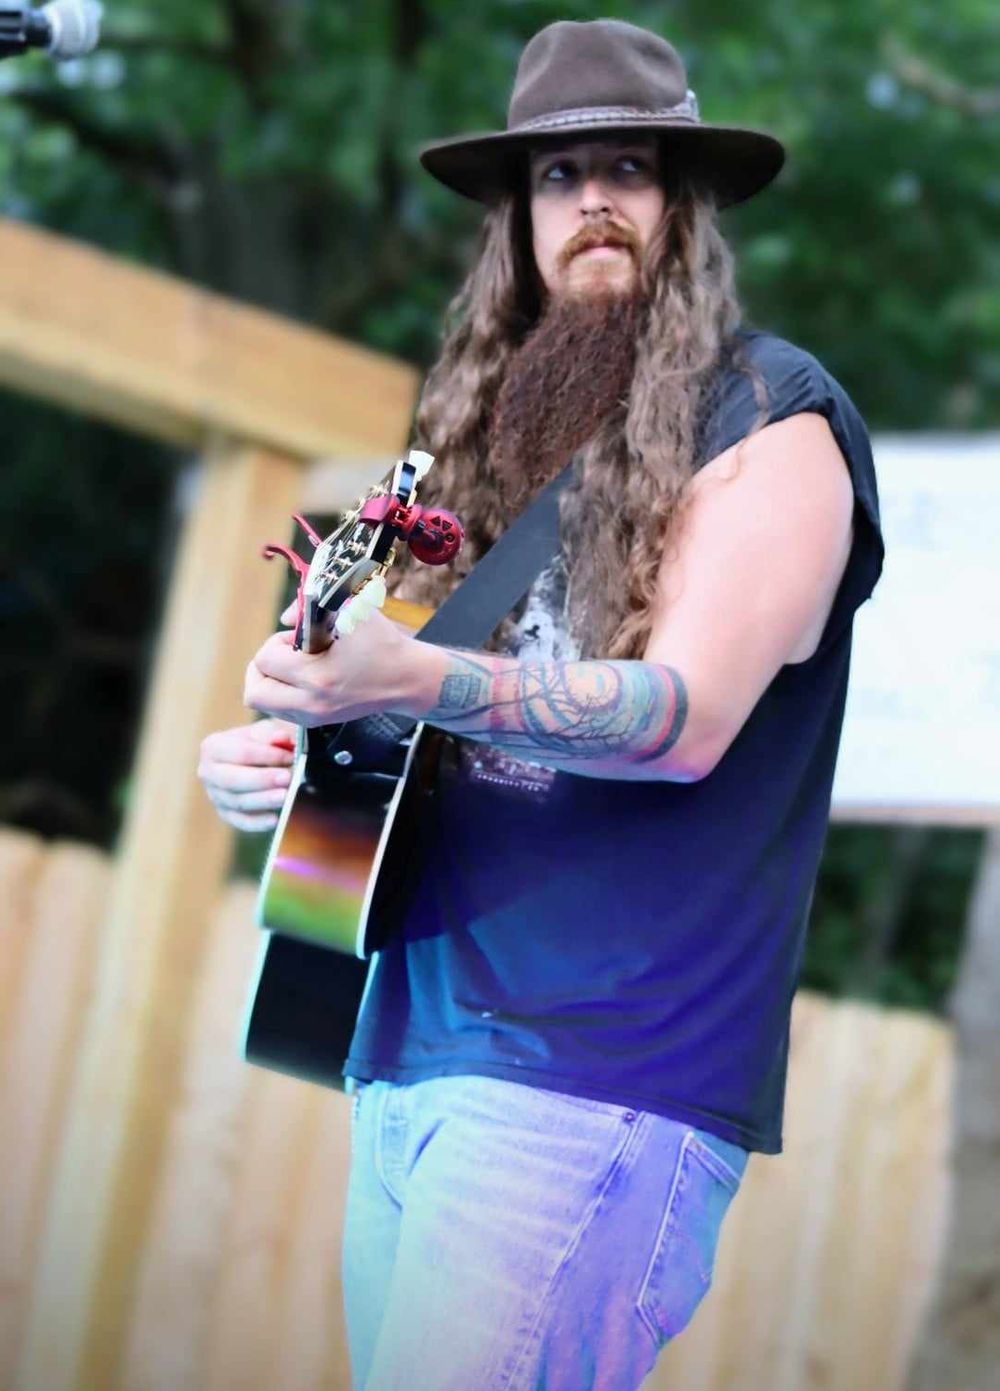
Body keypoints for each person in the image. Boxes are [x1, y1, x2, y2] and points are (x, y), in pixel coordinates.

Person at [198, 19, 883, 1390]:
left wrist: (415, 673)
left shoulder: (774, 419)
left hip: (594, 1081)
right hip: (406, 1057)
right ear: (519, 218)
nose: (596, 205)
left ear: (683, 205)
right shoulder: (490, 440)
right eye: (560, 176)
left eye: (630, 168)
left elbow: (683, 720)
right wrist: (289, 749)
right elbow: (405, 717)